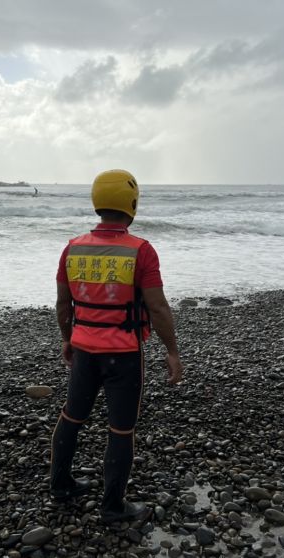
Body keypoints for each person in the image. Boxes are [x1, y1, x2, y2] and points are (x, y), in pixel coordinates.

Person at [49, 169, 183, 523]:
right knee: (121, 429)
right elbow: (157, 307)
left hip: (83, 350)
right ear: (132, 203)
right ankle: (112, 507)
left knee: (72, 415)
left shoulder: (72, 248)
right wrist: (172, 351)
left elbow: (64, 305)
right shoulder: (141, 251)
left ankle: (60, 484)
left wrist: (67, 339)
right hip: (122, 354)